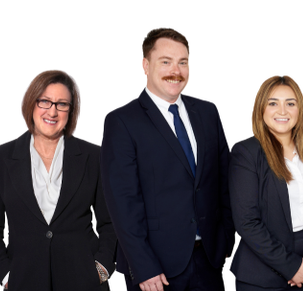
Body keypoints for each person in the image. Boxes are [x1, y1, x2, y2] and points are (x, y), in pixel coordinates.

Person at [101, 28, 235, 291]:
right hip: (155, 270)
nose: (176, 70)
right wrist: (143, 266)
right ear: (146, 65)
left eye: (182, 62)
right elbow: (122, 203)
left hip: (208, 259)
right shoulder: (122, 122)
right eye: (166, 62)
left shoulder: (207, 113)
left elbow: (224, 182)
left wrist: (224, 242)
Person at [0, 70, 117, 290]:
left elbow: (111, 222)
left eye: (62, 104)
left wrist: (101, 269)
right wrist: (5, 274)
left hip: (84, 281)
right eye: (45, 102)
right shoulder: (0, 158)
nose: (52, 111)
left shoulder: (94, 157)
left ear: (70, 111)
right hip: (25, 281)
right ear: (31, 104)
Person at [229, 76, 303, 291]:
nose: (282, 111)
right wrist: (292, 266)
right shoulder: (246, 153)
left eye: (290, 103)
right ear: (261, 109)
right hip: (262, 277)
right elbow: (247, 222)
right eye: (273, 103)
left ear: (300, 109)